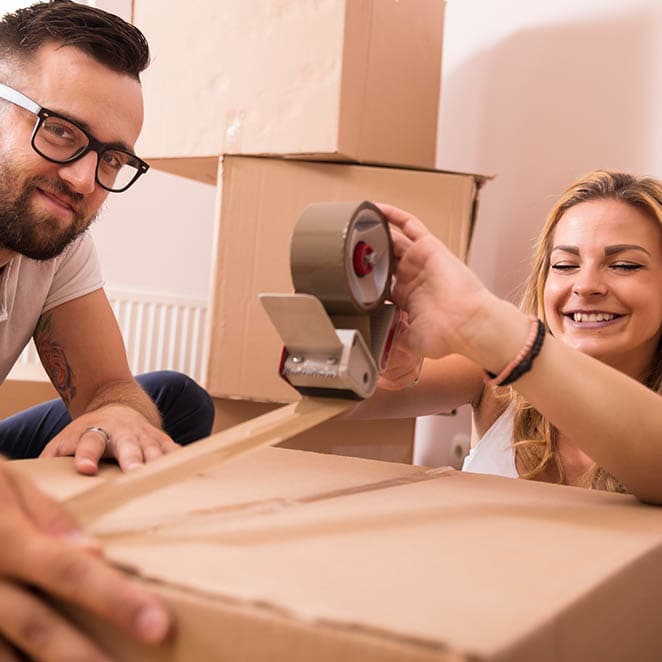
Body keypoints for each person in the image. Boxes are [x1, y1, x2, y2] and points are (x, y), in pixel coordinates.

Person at [0, 0, 222, 655]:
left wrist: (117, 415)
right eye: (61, 132)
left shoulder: (56, 243)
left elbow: (109, 388)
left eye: (113, 159)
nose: (82, 180)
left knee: (173, 399)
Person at [353, 170, 662, 504]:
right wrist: (376, 347)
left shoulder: (506, 354)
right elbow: (336, 401)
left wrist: (481, 320)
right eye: (564, 265)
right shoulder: (497, 385)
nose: (586, 285)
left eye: (625, 265)